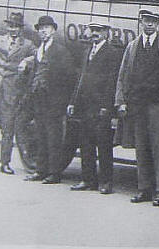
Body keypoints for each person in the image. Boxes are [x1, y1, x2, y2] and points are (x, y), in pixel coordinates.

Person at [115, 10, 159, 206]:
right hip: (137, 103)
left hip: (157, 105)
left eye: (153, 21)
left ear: (158, 24)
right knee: (141, 146)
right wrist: (121, 101)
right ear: (141, 22)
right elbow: (123, 73)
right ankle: (144, 188)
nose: (149, 24)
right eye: (146, 21)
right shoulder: (133, 47)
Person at [67, 22, 122, 194]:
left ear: (107, 32)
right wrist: (73, 102)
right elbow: (81, 79)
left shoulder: (113, 53)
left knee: (104, 145)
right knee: (86, 144)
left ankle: (105, 182)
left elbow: (112, 82)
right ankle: (88, 179)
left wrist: (107, 107)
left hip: (100, 107)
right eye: (93, 30)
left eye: (99, 30)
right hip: (84, 105)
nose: (95, 33)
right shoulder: (87, 51)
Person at [0, 12, 36, 174]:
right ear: (6, 26)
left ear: (20, 29)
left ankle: (5, 163)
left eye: (16, 27)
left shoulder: (26, 45)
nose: (13, 30)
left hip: (11, 90)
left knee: (8, 128)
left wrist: (26, 61)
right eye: (10, 26)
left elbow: (37, 55)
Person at [24, 15, 77, 184]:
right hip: (39, 99)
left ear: (53, 30)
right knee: (41, 135)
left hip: (54, 101)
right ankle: (41, 170)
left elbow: (69, 77)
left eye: (47, 28)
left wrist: (62, 100)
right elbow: (35, 72)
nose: (43, 31)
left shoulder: (61, 51)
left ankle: (54, 173)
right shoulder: (40, 50)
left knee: (54, 137)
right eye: (41, 29)